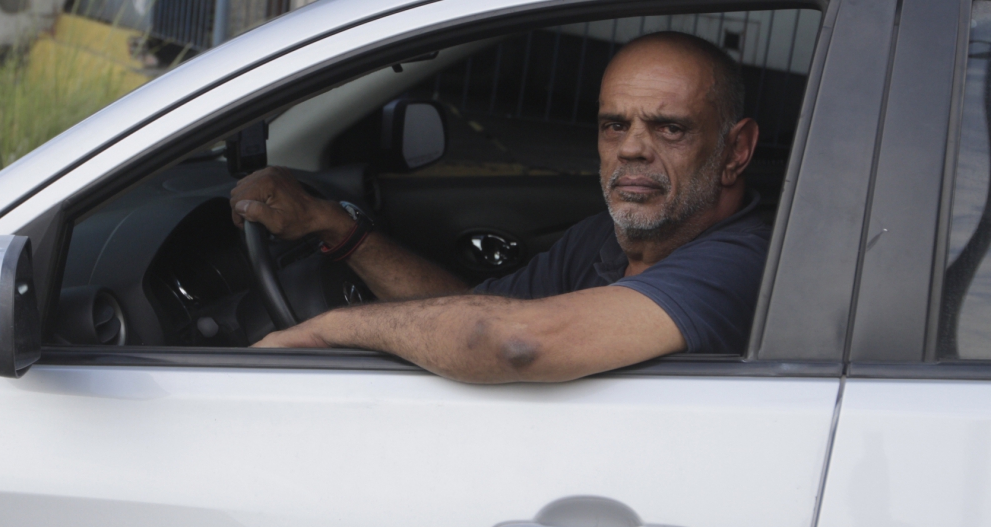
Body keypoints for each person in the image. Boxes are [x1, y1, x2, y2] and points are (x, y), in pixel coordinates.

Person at [228, 31, 766, 384]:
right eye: (614, 125)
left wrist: (329, 329)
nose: (630, 147)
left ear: (735, 151)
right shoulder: (601, 239)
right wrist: (340, 229)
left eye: (669, 128)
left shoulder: (745, 263)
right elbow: (464, 313)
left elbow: (515, 340)